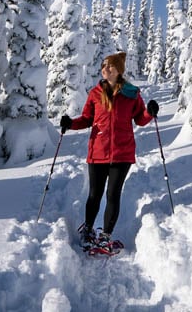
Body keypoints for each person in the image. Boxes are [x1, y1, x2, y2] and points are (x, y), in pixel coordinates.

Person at [59, 51, 159, 251]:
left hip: (122, 154)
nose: (105, 69)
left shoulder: (132, 94)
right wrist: (70, 123)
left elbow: (140, 118)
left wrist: (150, 112)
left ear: (119, 70)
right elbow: (87, 119)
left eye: (110, 66)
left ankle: (105, 236)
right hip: (98, 152)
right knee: (95, 194)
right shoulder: (95, 94)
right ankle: (88, 229)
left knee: (113, 194)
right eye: (104, 66)